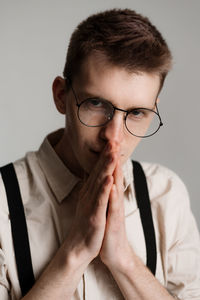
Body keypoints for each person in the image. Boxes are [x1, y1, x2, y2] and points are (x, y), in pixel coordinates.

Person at [0, 8, 200, 300]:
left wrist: (125, 261)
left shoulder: (166, 195)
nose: (113, 136)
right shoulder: (3, 199)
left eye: (136, 113)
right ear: (61, 96)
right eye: (96, 103)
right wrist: (77, 250)